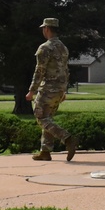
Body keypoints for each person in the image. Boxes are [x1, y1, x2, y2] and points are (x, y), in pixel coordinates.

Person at [25, 17, 78, 162]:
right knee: (48, 118)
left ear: (46, 29)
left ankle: (66, 137)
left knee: (40, 117)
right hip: (59, 89)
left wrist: (32, 90)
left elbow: (39, 71)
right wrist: (64, 90)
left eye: (43, 28)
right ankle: (45, 151)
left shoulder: (45, 47)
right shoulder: (63, 47)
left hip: (48, 88)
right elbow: (65, 70)